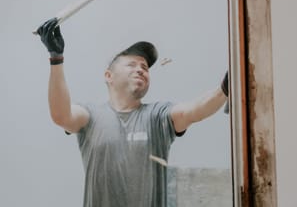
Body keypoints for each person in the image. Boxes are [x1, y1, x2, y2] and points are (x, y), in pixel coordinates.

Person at [36, 18, 229, 207]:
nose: (141, 70)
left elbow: (194, 111)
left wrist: (224, 90)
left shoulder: (157, 116)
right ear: (108, 76)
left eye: (144, 67)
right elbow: (61, 115)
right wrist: (56, 58)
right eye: (132, 65)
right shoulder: (90, 116)